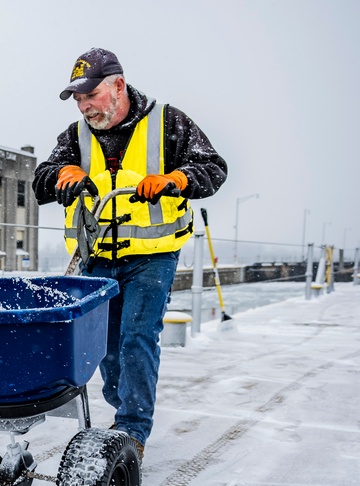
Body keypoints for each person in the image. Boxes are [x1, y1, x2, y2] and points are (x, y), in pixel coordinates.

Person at [32, 47, 228, 458]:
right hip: (97, 258)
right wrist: (60, 175)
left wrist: (177, 178)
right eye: (80, 100)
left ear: (118, 86)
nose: (86, 107)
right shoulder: (75, 137)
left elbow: (213, 167)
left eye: (92, 96)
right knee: (102, 344)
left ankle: (133, 431)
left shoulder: (168, 123)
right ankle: (125, 407)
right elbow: (40, 182)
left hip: (151, 258)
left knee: (137, 337)